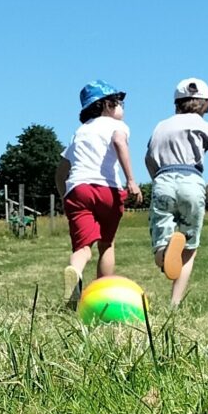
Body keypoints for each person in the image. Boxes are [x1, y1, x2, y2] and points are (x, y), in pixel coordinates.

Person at [56, 80, 143, 308]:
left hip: (78, 189)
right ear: (106, 104)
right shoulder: (117, 126)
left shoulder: (80, 132)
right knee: (107, 244)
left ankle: (75, 271)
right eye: (119, 103)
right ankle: (102, 296)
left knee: (82, 248)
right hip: (108, 190)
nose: (122, 107)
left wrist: (65, 196)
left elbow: (61, 171)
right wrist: (131, 180)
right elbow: (119, 143)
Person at [145, 77, 208, 307]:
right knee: (189, 248)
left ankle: (164, 254)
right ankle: (174, 303)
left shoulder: (160, 126)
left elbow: (148, 159)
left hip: (163, 180)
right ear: (207, 103)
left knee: (160, 243)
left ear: (177, 102)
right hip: (192, 182)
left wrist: (159, 182)